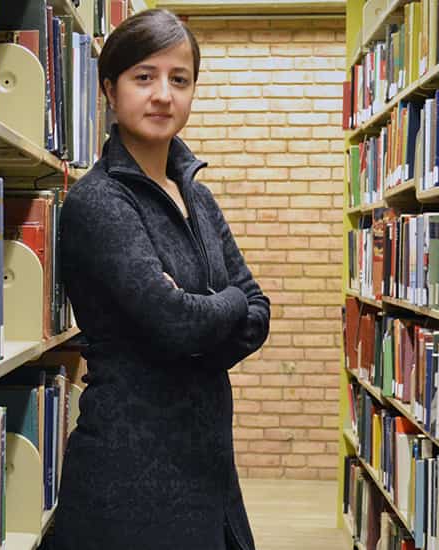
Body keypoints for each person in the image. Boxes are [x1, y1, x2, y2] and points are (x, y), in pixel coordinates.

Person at [52, 8, 271, 550]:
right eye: (143, 77)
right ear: (110, 88)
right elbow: (173, 323)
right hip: (130, 475)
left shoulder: (197, 195)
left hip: (208, 464)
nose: (163, 96)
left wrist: (204, 318)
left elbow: (258, 308)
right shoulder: (97, 202)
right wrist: (222, 310)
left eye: (180, 79)